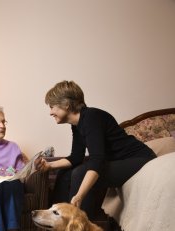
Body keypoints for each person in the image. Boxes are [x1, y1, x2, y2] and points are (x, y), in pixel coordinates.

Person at [37, 80, 156, 223]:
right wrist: (49, 166)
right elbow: (76, 158)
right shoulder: (77, 125)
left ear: (66, 105)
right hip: (120, 161)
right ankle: (59, 228)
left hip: (141, 159)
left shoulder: (91, 117)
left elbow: (97, 160)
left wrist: (79, 196)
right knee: (65, 173)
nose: (50, 112)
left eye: (52, 107)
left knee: (79, 173)